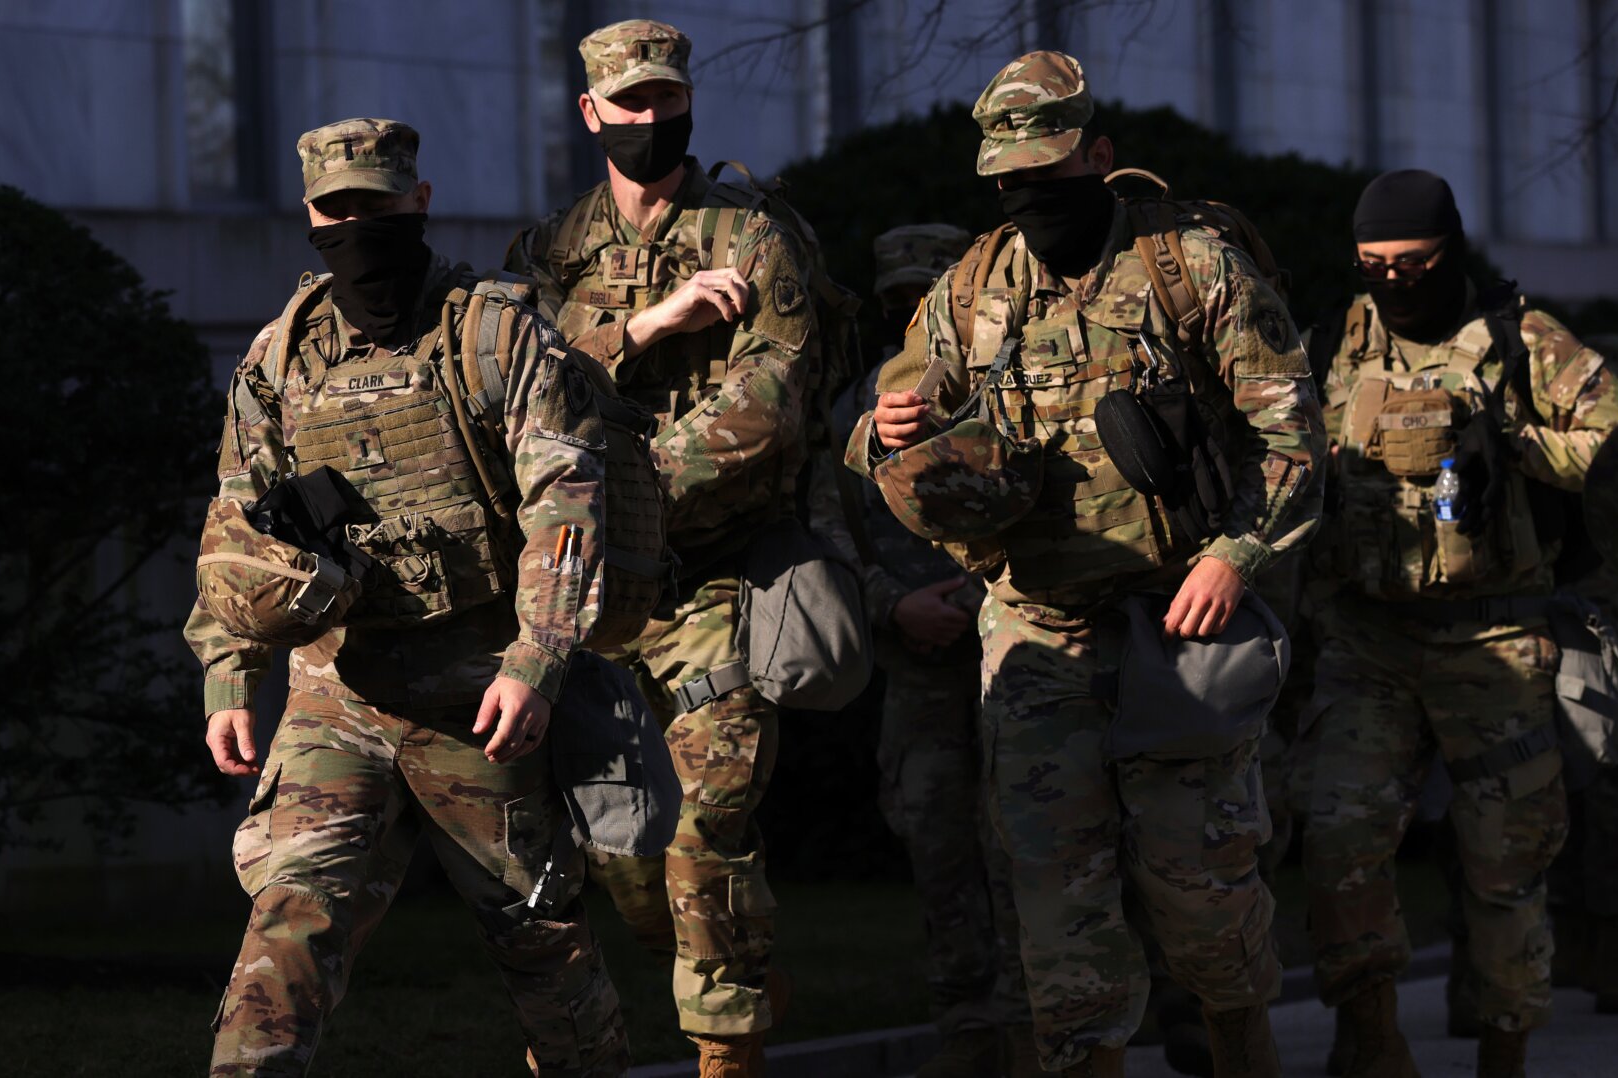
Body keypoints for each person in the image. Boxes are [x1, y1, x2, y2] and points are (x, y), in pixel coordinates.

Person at [856, 51, 1322, 1078]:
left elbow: (1291, 438)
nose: (1029, 197)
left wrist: (1235, 557)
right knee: (1057, 909)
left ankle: (1244, 1048)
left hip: (1179, 623)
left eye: (1049, 174)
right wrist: (885, 433)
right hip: (1037, 629)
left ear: (1099, 156)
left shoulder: (1192, 268)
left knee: (1204, 897)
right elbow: (884, 428)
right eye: (1009, 181)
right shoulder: (973, 287)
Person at [187, 117, 628, 1077]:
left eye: (376, 205)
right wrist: (230, 671)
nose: (355, 226)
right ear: (311, 217)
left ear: (419, 201)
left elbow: (567, 498)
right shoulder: (281, 355)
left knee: (540, 943)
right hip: (336, 696)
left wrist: (538, 659)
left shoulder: (495, 333)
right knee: (289, 920)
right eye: (335, 210)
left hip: (481, 698)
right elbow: (238, 524)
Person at [505, 19, 817, 1076]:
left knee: (703, 835)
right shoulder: (547, 253)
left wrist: (629, 487)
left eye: (666, 99)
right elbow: (522, 394)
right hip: (585, 595)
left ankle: (728, 1046)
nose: (650, 117)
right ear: (590, 111)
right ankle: (735, 965)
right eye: (629, 101)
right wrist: (644, 328)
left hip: (710, 581)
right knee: (614, 854)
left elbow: (770, 400)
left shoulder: (753, 236)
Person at [1298, 168, 1618, 1078]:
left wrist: (1515, 443)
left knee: (1505, 870)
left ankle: (1503, 1052)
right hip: (1368, 644)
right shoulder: (1332, 342)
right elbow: (1280, 458)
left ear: (1451, 248)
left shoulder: (1525, 340)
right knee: (1338, 843)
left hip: (1495, 646)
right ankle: (1371, 1039)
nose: (1394, 280)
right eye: (1374, 264)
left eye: (1413, 262)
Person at [827, 223, 1032, 1077]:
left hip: (1011, 656)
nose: (911, 314)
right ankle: (968, 1034)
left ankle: (1032, 1035)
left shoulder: (1013, 385)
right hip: (916, 666)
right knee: (938, 847)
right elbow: (828, 530)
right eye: (898, 301)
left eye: (927, 296)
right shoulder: (858, 409)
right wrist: (895, 605)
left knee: (1026, 846)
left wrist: (987, 601)